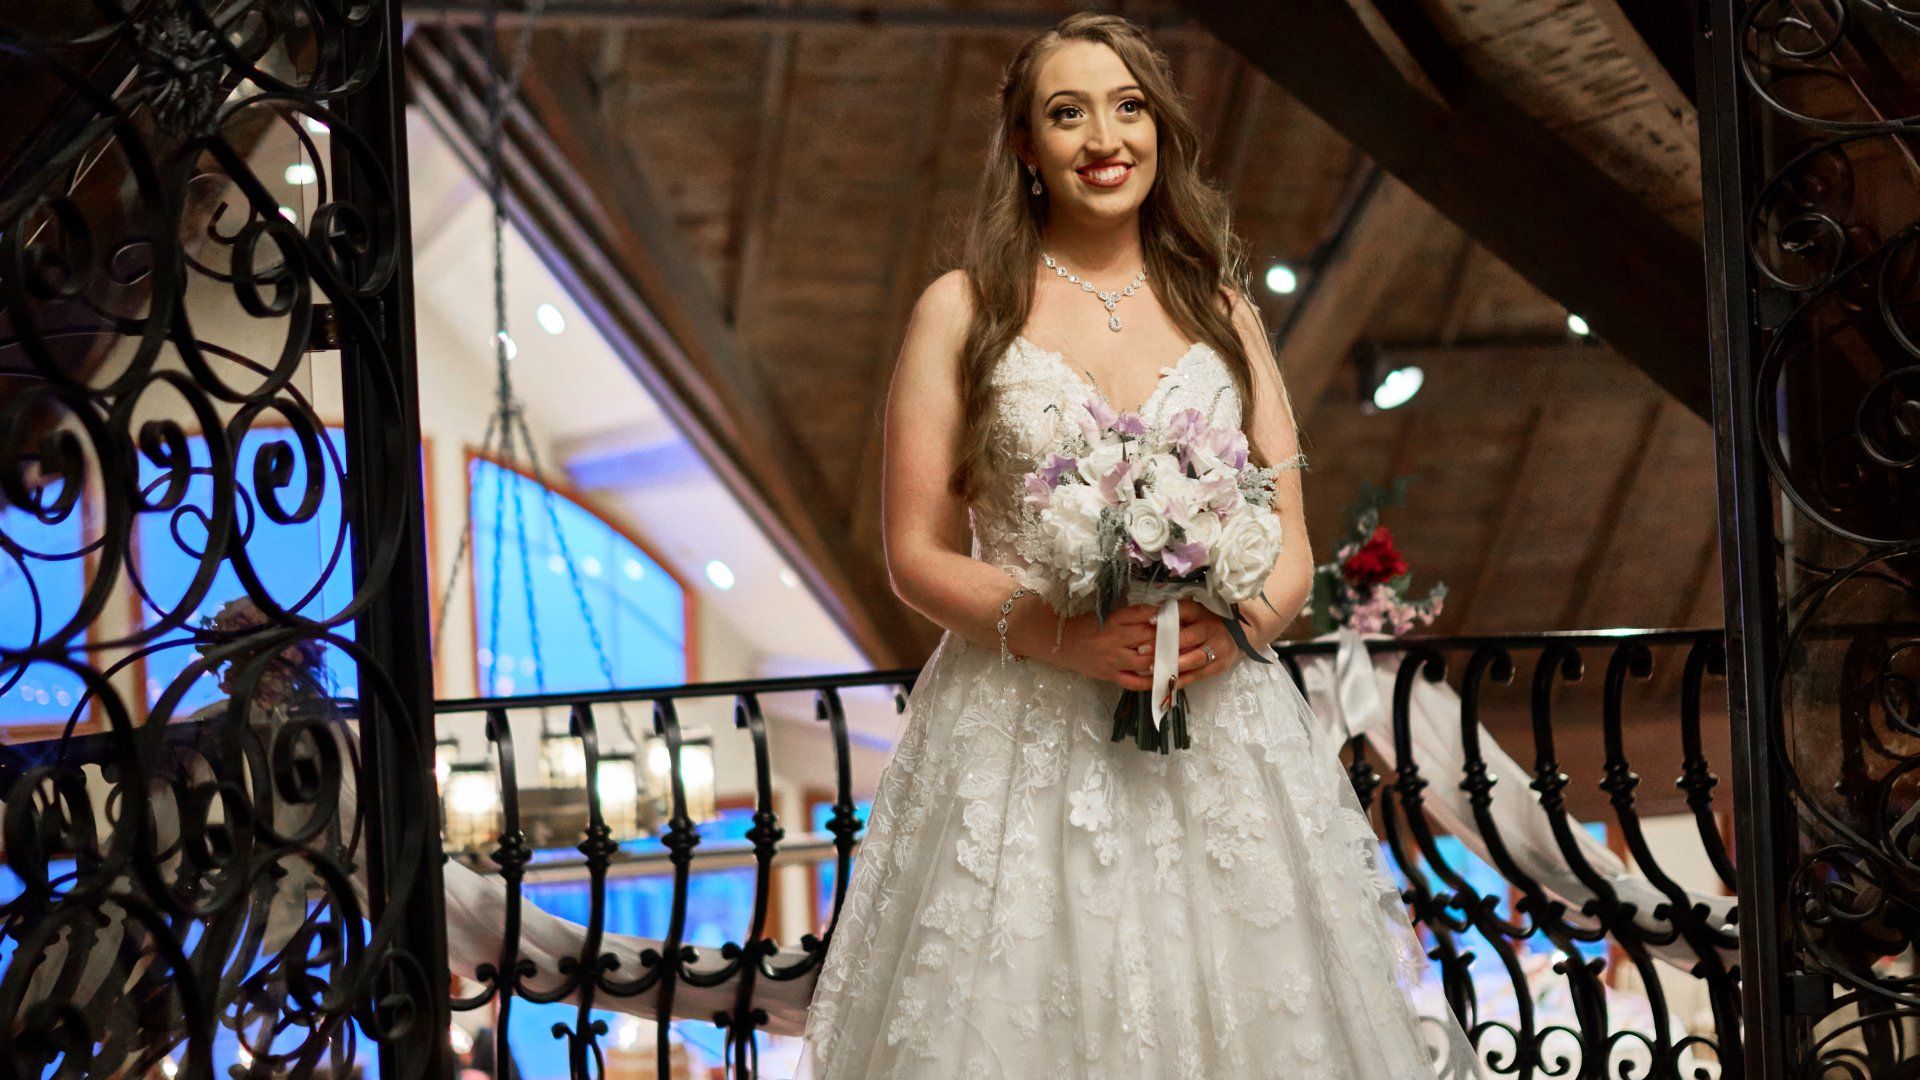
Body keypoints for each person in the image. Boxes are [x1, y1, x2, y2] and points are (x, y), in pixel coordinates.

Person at [799, 13, 1488, 1078]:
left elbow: (1292, 547)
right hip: (1020, 726)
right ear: (1026, 146)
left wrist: (1237, 626)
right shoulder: (962, 309)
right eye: (1066, 114)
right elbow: (915, 554)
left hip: (1218, 732)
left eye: (1128, 108)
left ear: (1161, 132)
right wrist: (1062, 640)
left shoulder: (1221, 311)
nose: (1102, 137)